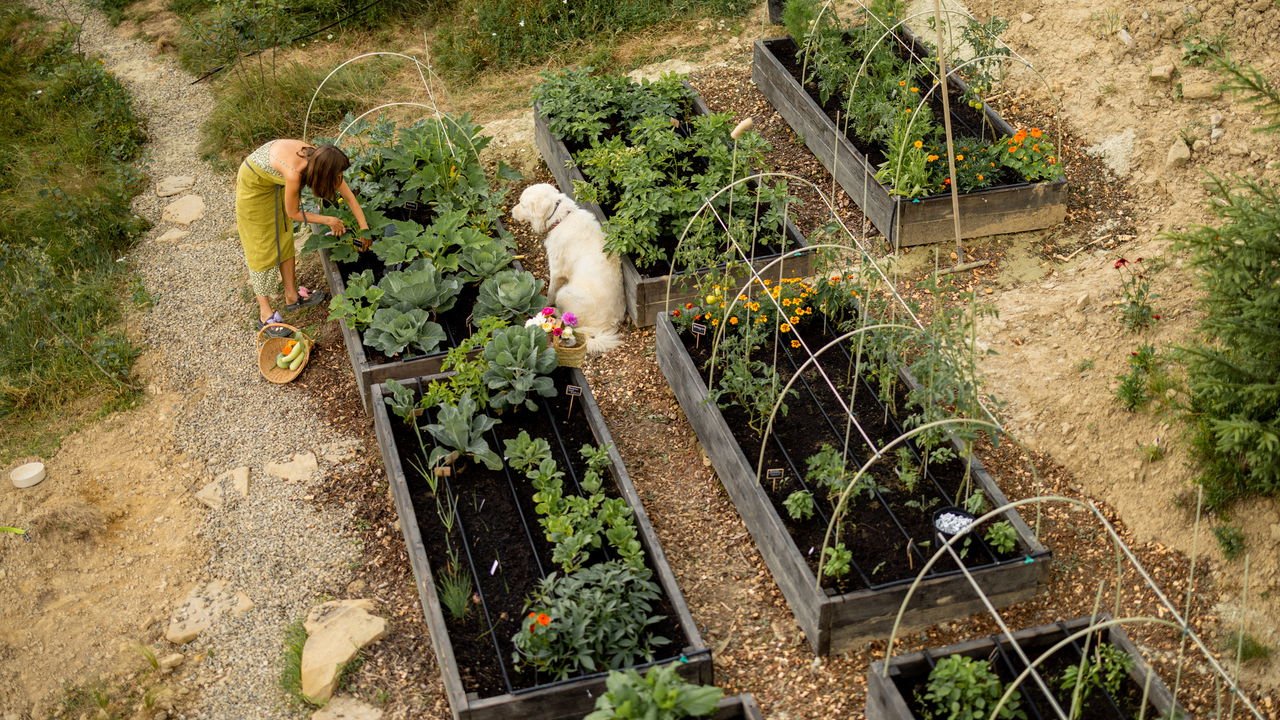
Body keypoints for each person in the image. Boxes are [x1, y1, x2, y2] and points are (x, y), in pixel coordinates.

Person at [236, 139, 369, 335]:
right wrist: (329, 220)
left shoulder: (321, 159)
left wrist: (364, 229)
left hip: (274, 184)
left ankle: (292, 296)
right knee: (261, 247)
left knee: (284, 234)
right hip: (254, 186)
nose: (339, 178)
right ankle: (265, 314)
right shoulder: (294, 173)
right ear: (326, 173)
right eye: (337, 174)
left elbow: (349, 197)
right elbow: (294, 213)